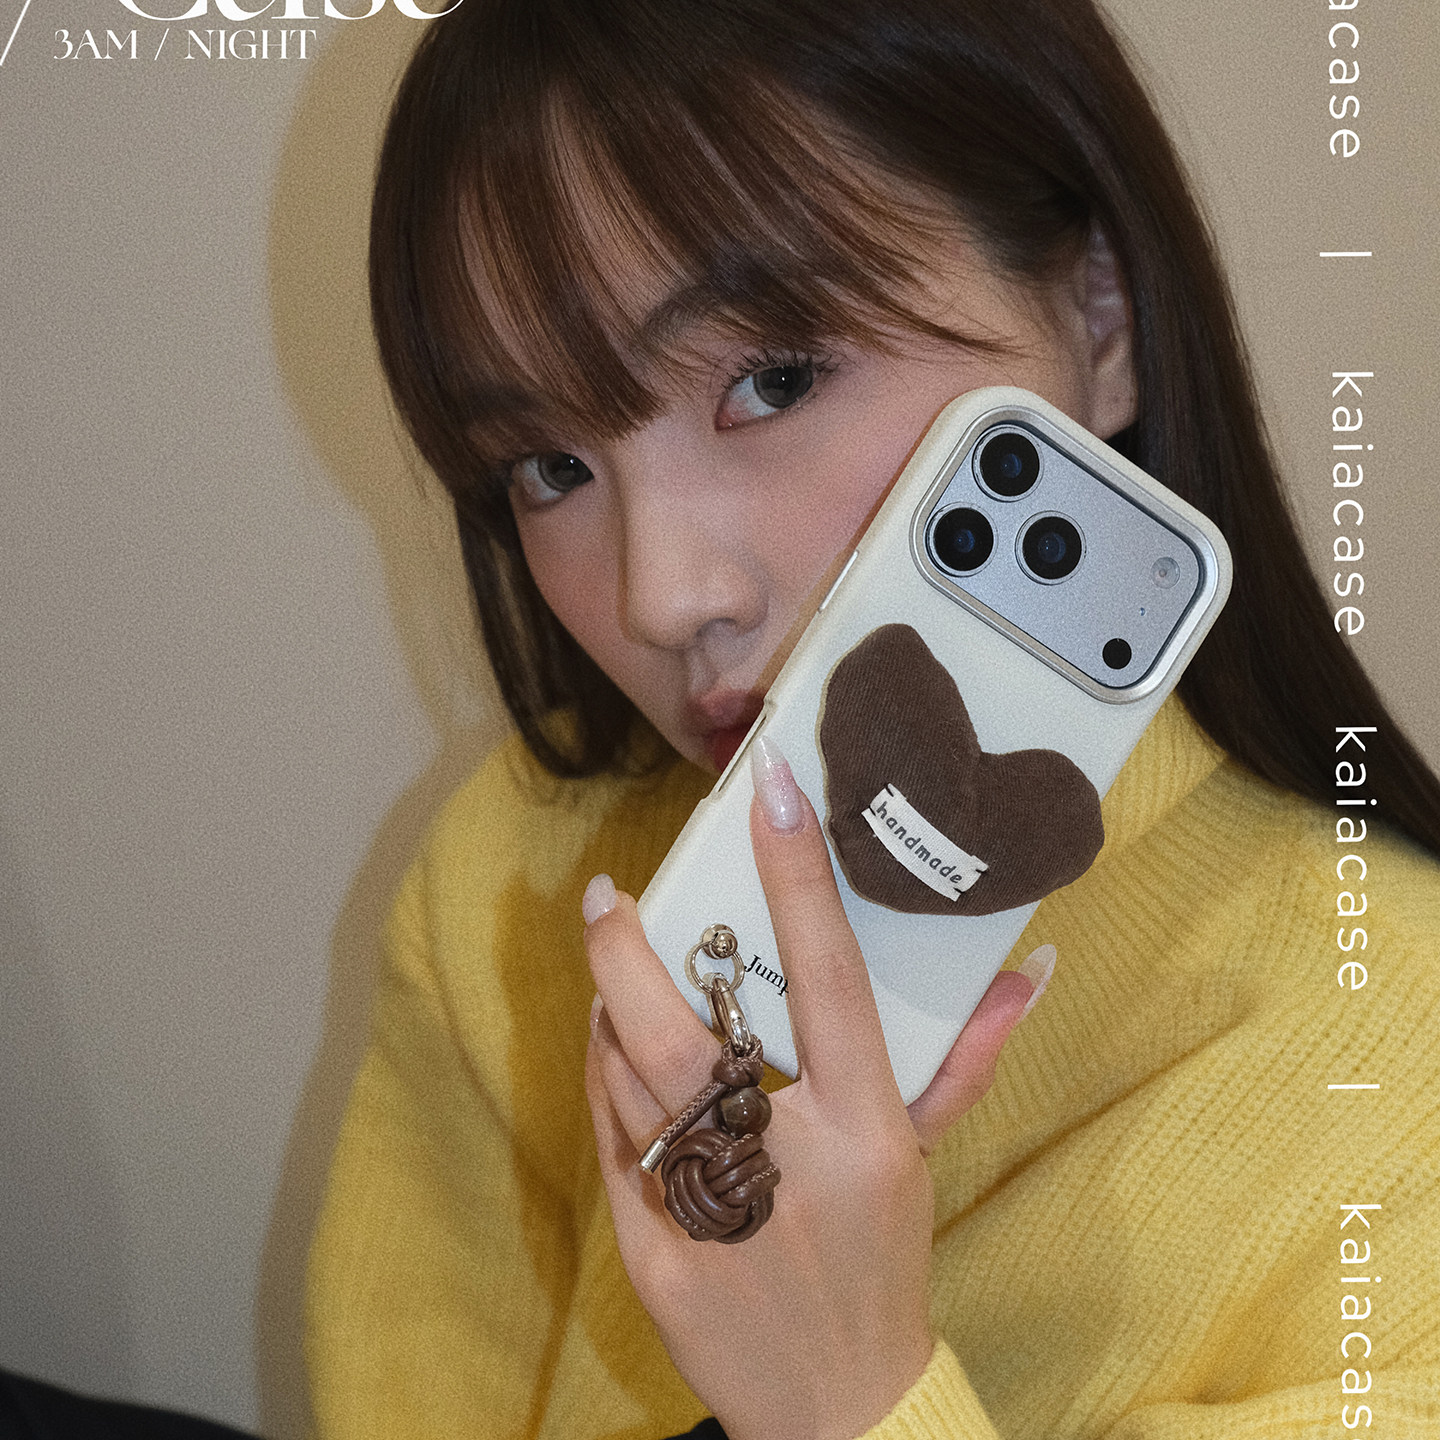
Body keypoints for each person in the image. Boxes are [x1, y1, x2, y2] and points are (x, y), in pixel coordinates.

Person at [304, 1, 1440, 1437]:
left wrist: (844, 1399)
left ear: (1101, 317)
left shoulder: (1400, 1066)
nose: (663, 596)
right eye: (546, 465)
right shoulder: (514, 885)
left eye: (772, 380)